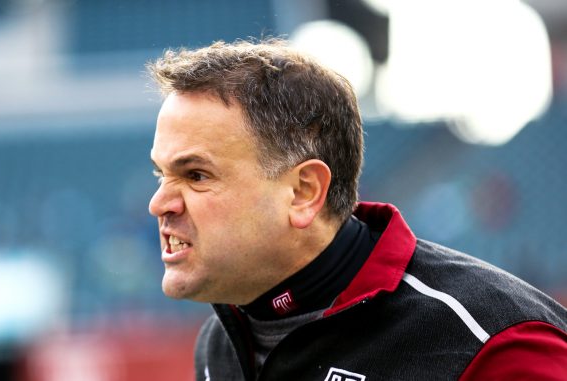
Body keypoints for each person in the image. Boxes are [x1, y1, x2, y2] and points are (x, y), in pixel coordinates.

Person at [146, 38, 567, 380]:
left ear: (303, 192)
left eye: (196, 175)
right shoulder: (221, 340)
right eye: (160, 174)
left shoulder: (496, 345)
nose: (159, 203)